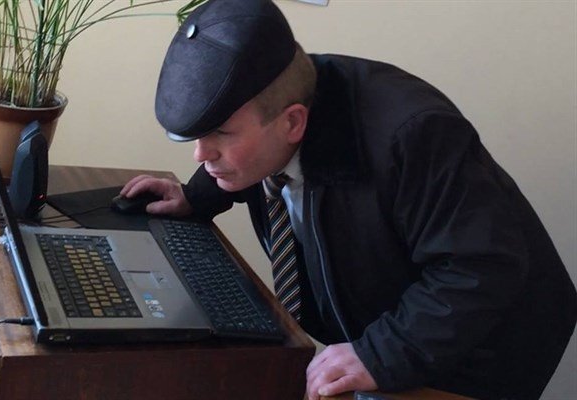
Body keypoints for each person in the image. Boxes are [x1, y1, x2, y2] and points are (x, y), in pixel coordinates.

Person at [121, 0, 577, 399]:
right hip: (406, 320)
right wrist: (196, 197)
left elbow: (481, 268)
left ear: (293, 122)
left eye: (220, 133)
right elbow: (244, 144)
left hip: (482, 339)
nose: (201, 154)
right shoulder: (277, 91)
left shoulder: (413, 136)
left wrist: (380, 354)